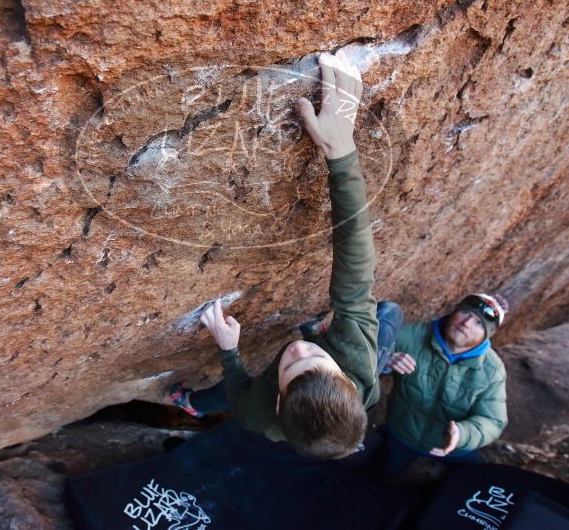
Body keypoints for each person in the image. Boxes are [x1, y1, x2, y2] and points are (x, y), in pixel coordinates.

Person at [168, 51, 389, 459]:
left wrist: (229, 350)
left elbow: (240, 391)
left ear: (278, 400)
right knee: (384, 314)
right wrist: (341, 153)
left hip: (260, 398)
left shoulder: (261, 417)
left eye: (290, 368)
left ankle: (193, 404)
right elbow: (355, 266)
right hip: (351, 358)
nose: (300, 350)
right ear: (346, 378)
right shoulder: (359, 362)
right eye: (317, 362)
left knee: (225, 398)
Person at [377, 293, 509, 476]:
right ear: (454, 311)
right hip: (402, 435)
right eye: (465, 313)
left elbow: (493, 421)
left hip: (455, 448)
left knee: (479, 482)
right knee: (378, 478)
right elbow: (362, 356)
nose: (467, 323)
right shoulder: (411, 336)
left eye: (479, 323)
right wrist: (384, 361)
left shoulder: (492, 370)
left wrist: (463, 434)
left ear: (487, 335)